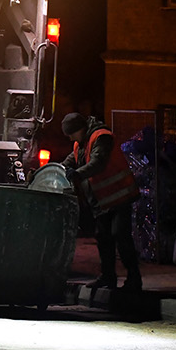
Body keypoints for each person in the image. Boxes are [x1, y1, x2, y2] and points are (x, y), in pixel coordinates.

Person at [61, 112, 143, 290]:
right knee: (103, 238)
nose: (69, 139)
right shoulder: (80, 143)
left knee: (120, 235)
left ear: (80, 129)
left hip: (120, 196)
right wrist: (58, 170)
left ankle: (134, 278)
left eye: (70, 134)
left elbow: (98, 162)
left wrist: (77, 174)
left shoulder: (101, 137)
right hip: (102, 201)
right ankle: (107, 277)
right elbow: (69, 162)